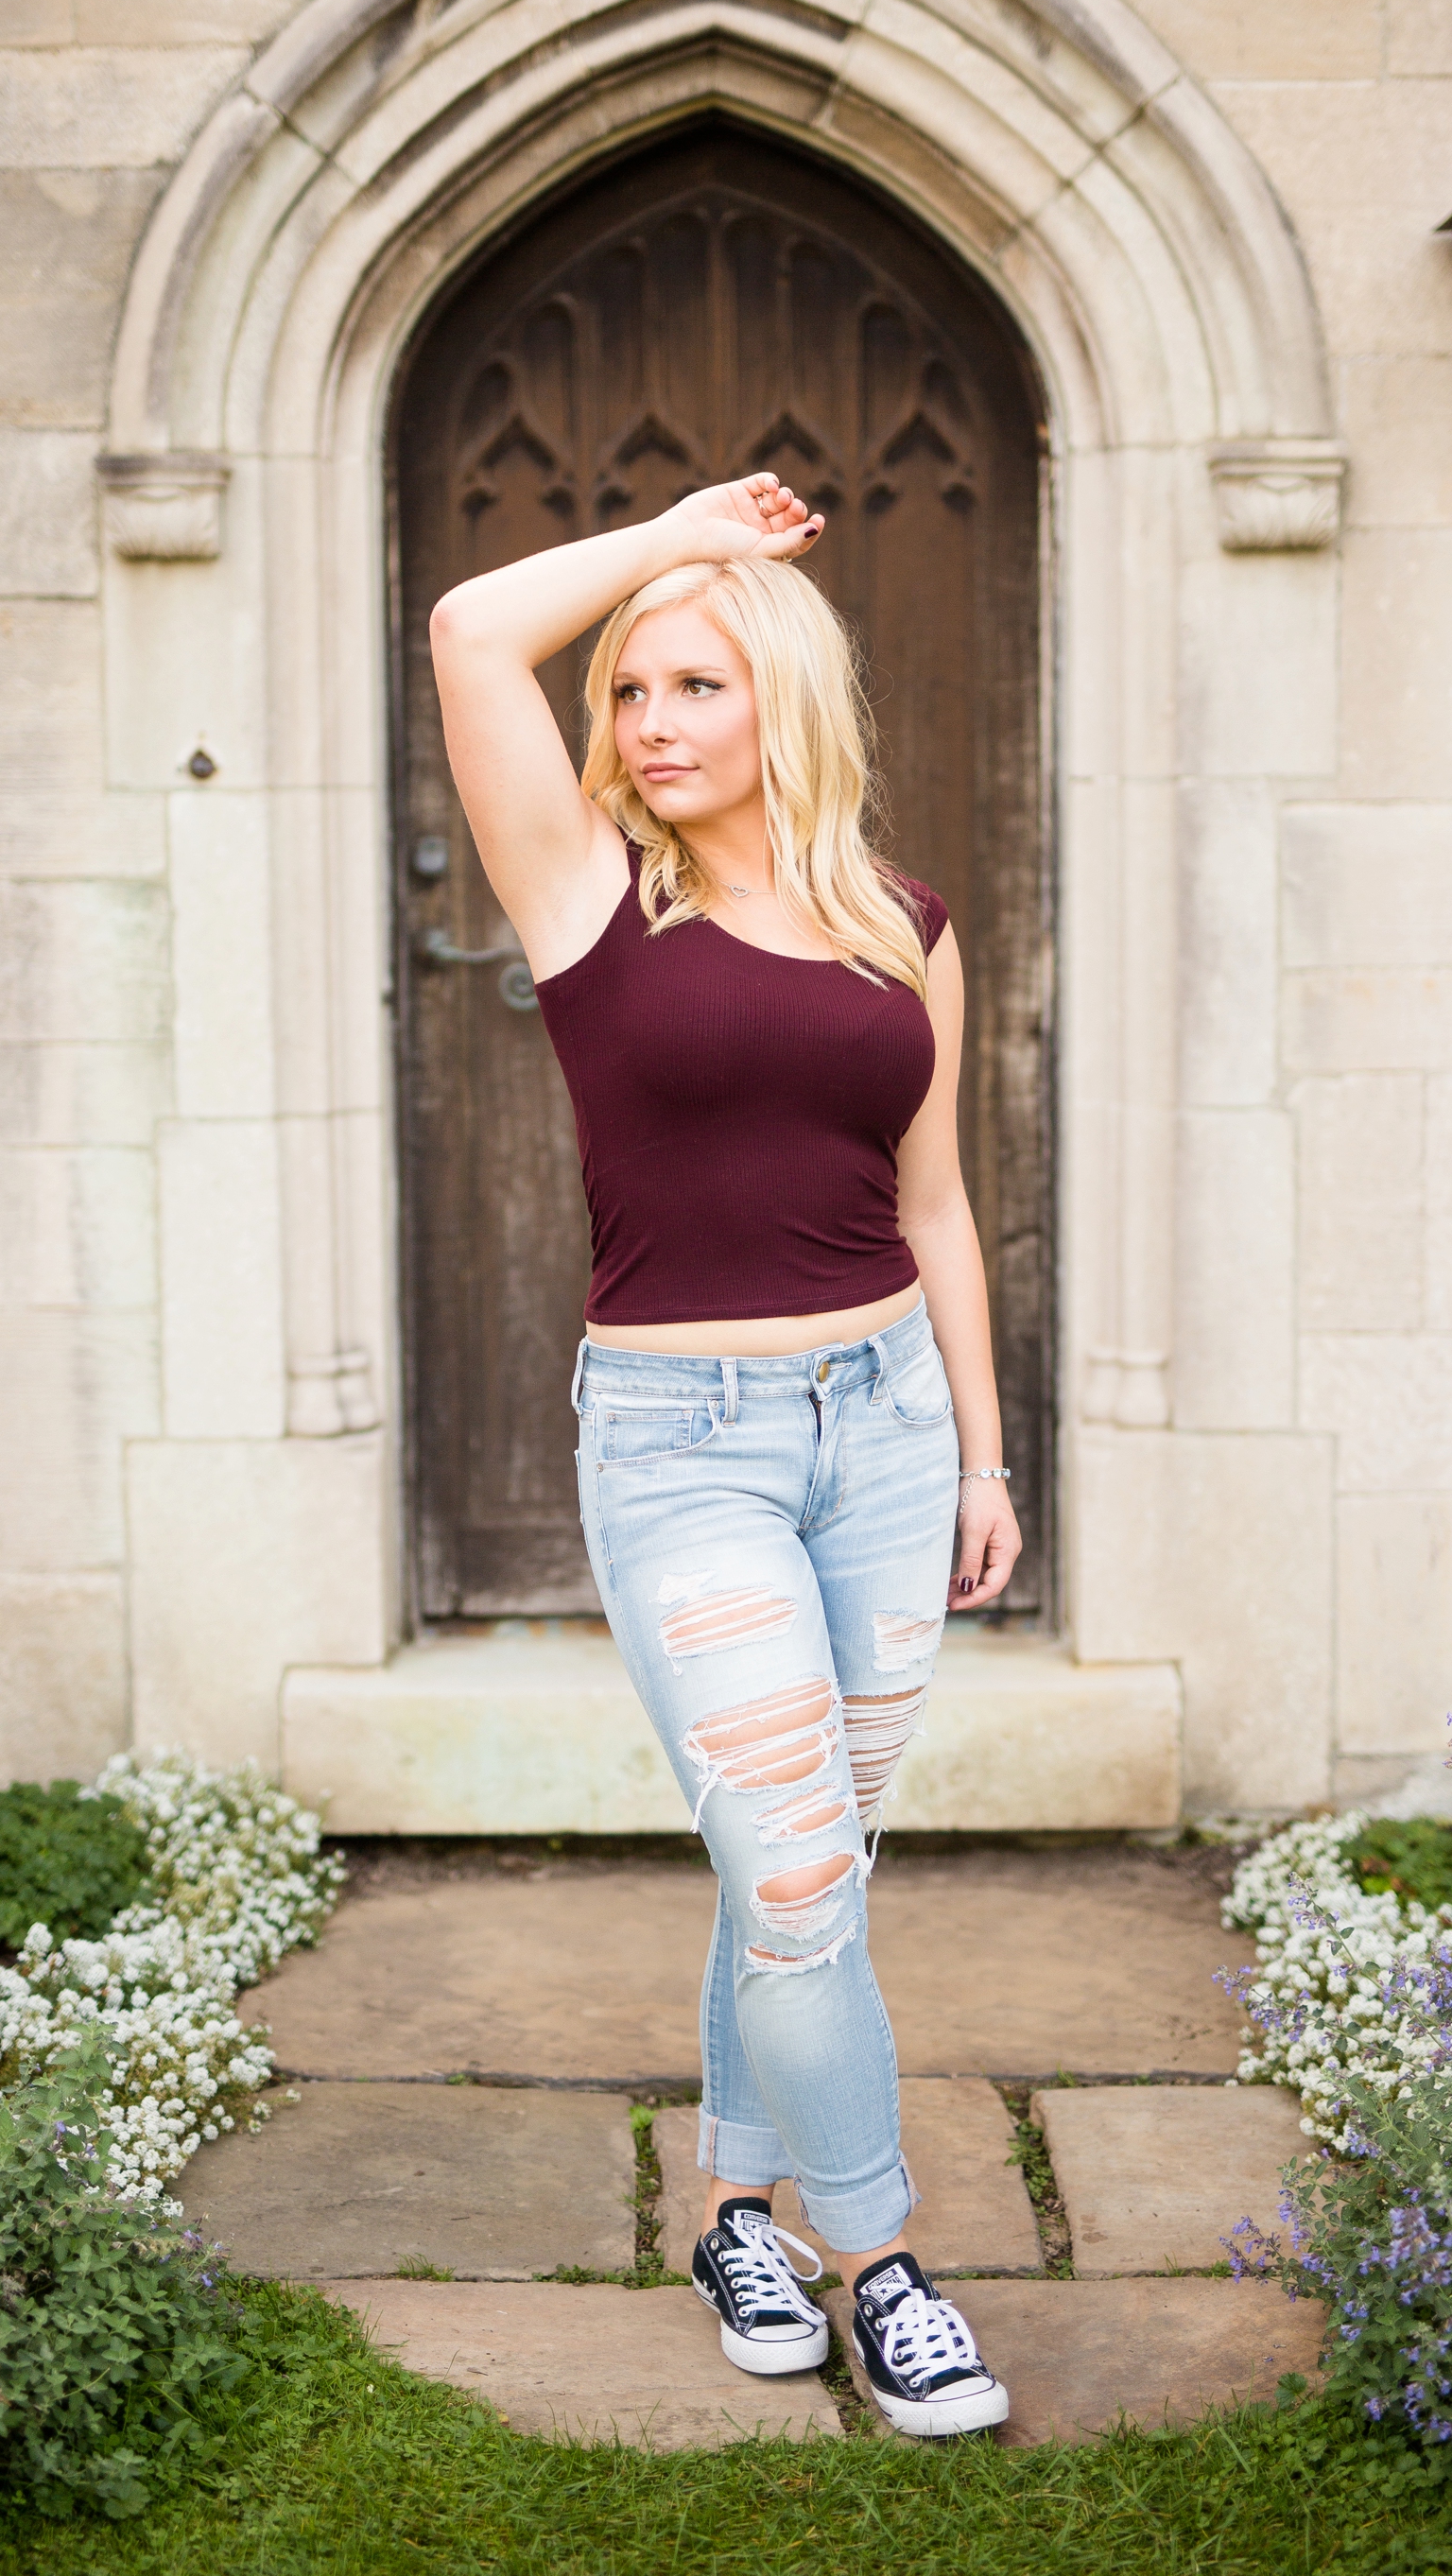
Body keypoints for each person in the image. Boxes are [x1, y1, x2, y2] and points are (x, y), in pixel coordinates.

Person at [429, 472, 1022, 2437]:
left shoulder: (901, 923)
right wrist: (684, 527)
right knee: (792, 1872)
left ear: (782, 696)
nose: (651, 722)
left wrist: (983, 1460)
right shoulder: (587, 900)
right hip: (683, 1443)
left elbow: (934, 1204)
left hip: (883, 1427)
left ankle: (732, 2211)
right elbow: (462, 630)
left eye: (695, 681)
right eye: (626, 692)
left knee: (804, 1873)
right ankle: (888, 2264)